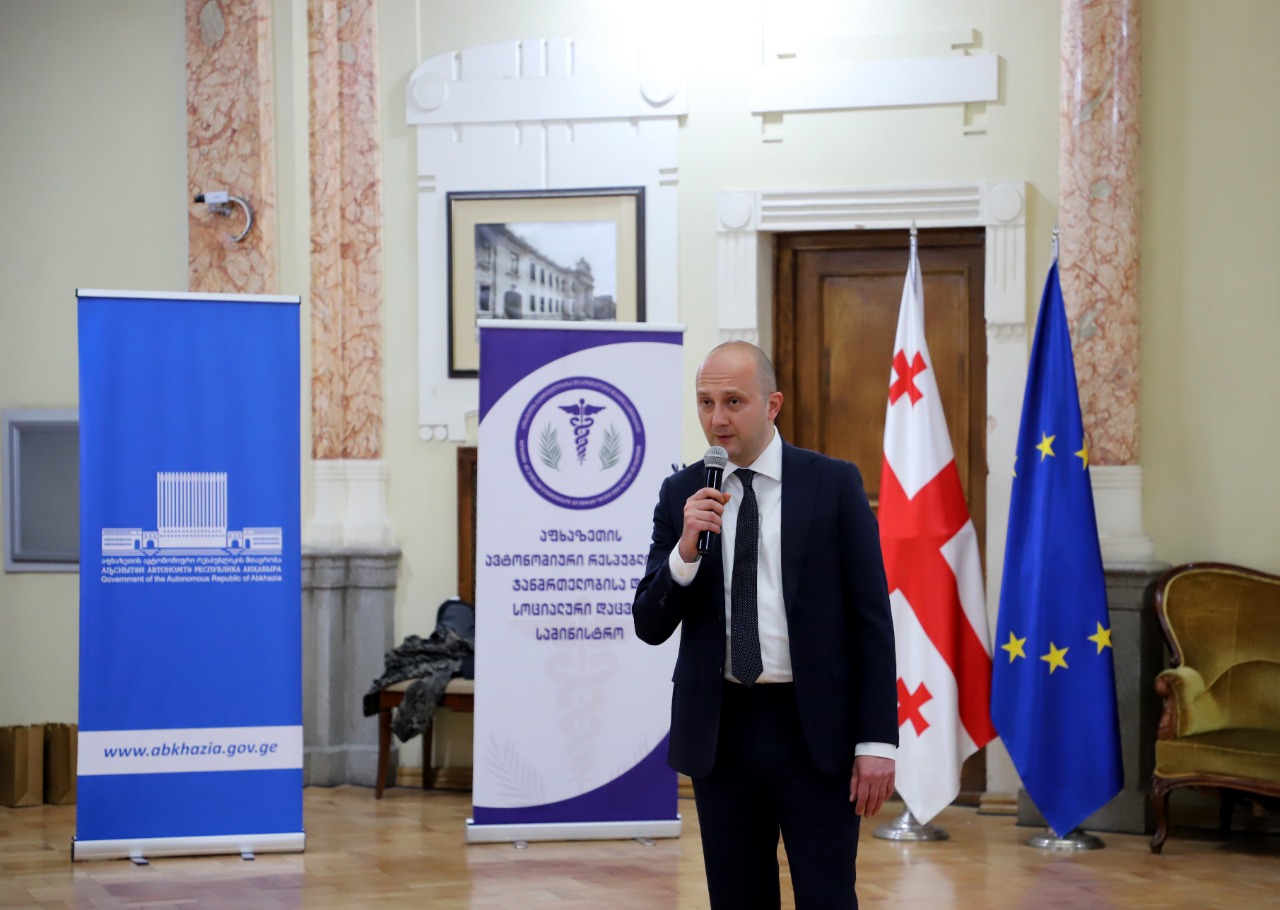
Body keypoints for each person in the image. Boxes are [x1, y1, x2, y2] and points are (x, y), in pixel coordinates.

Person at [632, 341, 897, 910]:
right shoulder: (682, 493)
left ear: (772, 404)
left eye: (734, 401)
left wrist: (877, 742)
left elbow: (872, 621)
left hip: (815, 731)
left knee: (828, 897)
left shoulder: (833, 484)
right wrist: (684, 551)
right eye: (705, 402)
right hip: (722, 733)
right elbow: (649, 624)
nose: (717, 419)